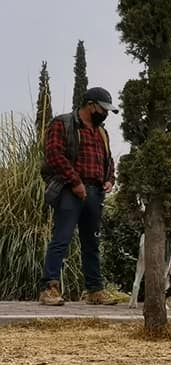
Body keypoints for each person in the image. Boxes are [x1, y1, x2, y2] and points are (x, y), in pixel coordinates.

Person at [38, 87, 119, 306]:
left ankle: (94, 290)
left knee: (92, 243)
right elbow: (54, 155)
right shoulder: (62, 123)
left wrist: (109, 179)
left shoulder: (101, 132)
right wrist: (75, 182)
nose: (105, 114)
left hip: (95, 192)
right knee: (61, 239)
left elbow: (108, 159)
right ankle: (49, 288)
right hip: (69, 190)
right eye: (103, 109)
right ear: (90, 105)